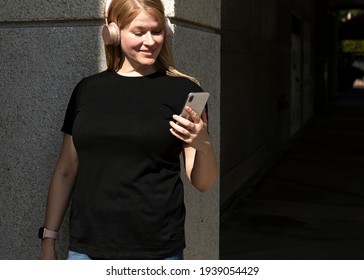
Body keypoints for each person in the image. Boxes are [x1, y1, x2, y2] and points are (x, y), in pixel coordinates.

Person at [38, 0, 218, 260]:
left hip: (158, 251)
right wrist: (48, 240)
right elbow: (66, 170)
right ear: (114, 33)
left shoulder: (185, 92)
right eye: (138, 32)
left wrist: (204, 144)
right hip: (87, 251)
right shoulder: (87, 90)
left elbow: (203, 183)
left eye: (156, 31)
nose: (150, 41)